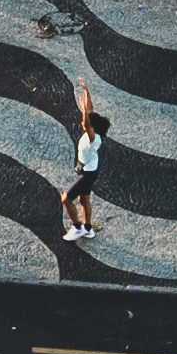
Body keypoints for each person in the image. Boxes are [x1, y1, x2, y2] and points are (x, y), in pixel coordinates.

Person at [61, 85, 103, 244]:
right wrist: (86, 92)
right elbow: (90, 112)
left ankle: (78, 228)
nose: (83, 122)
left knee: (66, 199)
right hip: (88, 170)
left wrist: (84, 110)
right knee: (84, 199)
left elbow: (86, 120)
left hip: (88, 174)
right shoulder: (94, 133)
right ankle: (88, 228)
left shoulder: (94, 139)